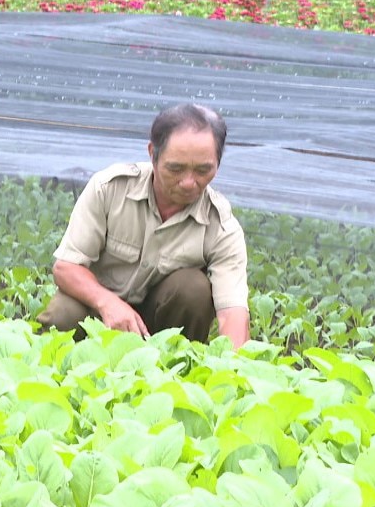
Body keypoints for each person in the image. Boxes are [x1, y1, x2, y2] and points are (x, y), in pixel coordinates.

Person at [37, 103, 249, 348]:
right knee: (64, 313)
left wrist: (236, 370)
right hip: (97, 312)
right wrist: (108, 303)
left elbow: (233, 313)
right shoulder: (110, 188)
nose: (189, 182)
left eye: (203, 170)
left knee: (194, 289)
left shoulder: (220, 225)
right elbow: (66, 268)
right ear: (152, 153)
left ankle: (170, 376)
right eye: (176, 168)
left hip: (160, 328)